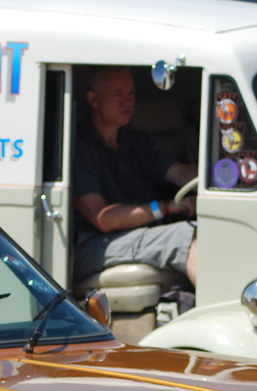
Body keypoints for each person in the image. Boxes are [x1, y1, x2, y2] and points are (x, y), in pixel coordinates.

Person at [73, 67, 198, 285]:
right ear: (94, 100)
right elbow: (104, 219)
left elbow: (178, 173)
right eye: (117, 94)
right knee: (187, 237)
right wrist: (168, 207)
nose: (127, 102)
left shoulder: (136, 142)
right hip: (93, 244)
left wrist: (222, 175)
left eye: (131, 94)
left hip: (139, 233)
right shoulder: (79, 148)